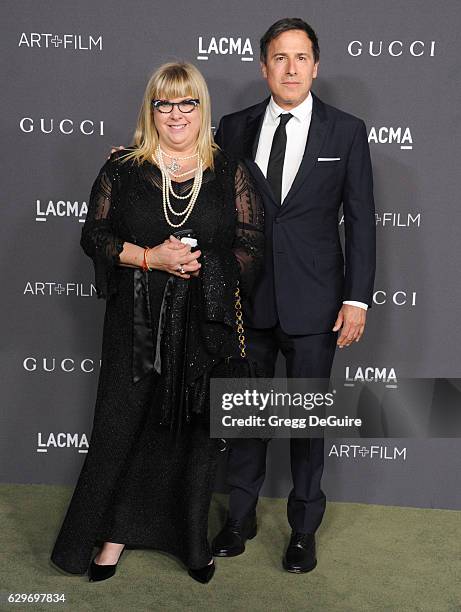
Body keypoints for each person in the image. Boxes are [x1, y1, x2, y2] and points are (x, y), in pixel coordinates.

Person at [50, 62, 264, 584]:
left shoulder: (228, 170)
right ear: (151, 110)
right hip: (135, 324)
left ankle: (192, 540)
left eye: (186, 103)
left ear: (201, 109)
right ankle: (110, 537)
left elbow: (251, 244)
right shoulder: (123, 169)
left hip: (201, 331)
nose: (175, 114)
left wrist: (202, 267)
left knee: (192, 437)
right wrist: (151, 258)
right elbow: (95, 237)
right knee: (121, 430)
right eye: (164, 104)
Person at [211, 18, 376, 573]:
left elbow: (361, 221)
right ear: (263, 67)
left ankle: (303, 528)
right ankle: (239, 515)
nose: (290, 68)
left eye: (300, 57)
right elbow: (196, 185)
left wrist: (357, 299)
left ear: (316, 65)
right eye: (279, 58)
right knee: (244, 418)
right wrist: (138, 159)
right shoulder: (232, 127)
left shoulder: (347, 131)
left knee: (306, 423)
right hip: (246, 300)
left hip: (317, 306)